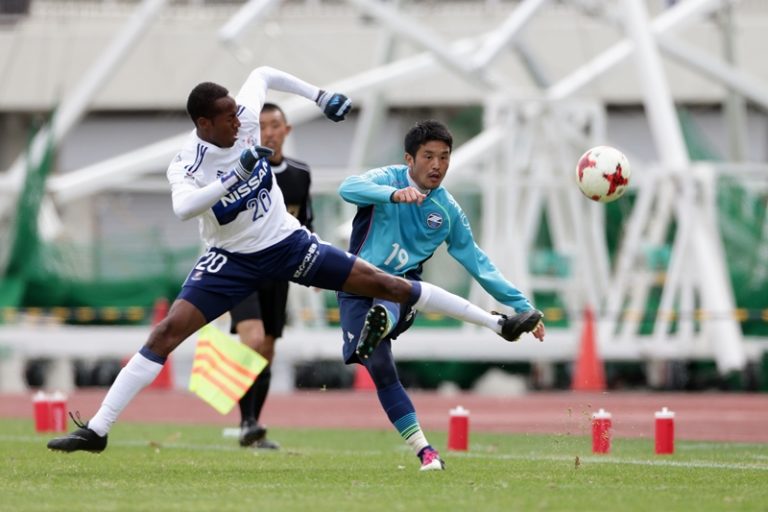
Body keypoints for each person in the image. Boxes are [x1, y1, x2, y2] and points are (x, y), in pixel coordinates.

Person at [47, 66, 541, 454]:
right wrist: (234, 176)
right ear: (203, 125)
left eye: (239, 114)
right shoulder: (188, 164)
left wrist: (320, 97)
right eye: (228, 119)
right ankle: (98, 429)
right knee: (166, 333)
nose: (242, 122)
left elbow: (263, 72)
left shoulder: (242, 117)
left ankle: (498, 324)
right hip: (231, 259)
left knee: (385, 283)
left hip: (288, 245)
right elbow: (183, 208)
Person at [337, 120, 546, 472]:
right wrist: (392, 195)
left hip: (404, 291)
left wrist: (523, 306)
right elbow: (348, 187)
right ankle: (425, 451)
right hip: (356, 288)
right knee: (382, 370)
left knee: (392, 292)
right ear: (409, 159)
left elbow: (478, 262)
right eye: (428, 156)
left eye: (444, 157)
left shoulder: (447, 211)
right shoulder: (388, 179)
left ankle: (384, 321)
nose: (437, 165)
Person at [230, 102, 314, 450]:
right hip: (241, 270)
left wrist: (314, 268)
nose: (269, 132)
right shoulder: (244, 171)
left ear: (286, 130)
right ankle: (247, 423)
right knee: (251, 341)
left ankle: (252, 425)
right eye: (262, 126)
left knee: (266, 350)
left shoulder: (300, 174)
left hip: (277, 274)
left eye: (275, 125)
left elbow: (306, 224)